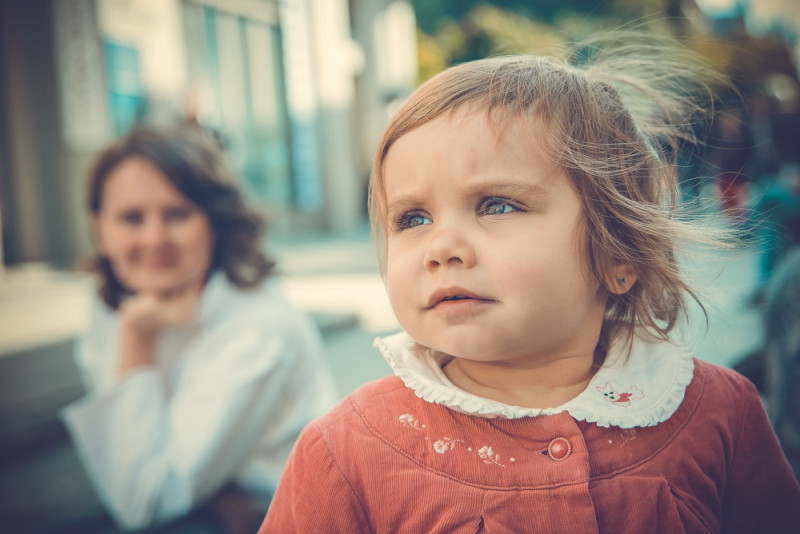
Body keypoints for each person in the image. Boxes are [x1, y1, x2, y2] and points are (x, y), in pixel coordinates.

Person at [260, 34, 800, 533]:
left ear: (618, 250)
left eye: (497, 205)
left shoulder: (719, 412)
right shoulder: (345, 451)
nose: (442, 246)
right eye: (412, 218)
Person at [61, 125, 337, 532]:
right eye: (131, 218)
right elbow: (131, 477)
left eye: (177, 214)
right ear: (99, 227)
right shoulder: (119, 303)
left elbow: (146, 501)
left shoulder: (258, 329)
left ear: (215, 222)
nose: (154, 239)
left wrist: (136, 342)